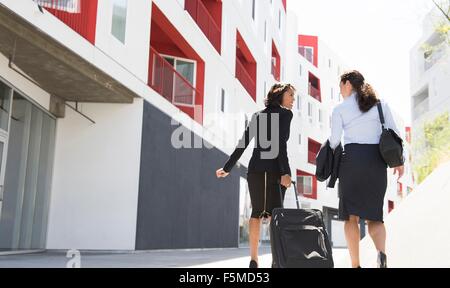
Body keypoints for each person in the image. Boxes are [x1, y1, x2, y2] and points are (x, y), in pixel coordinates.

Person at [329, 70, 404, 268]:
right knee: (375, 218)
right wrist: (399, 162)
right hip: (376, 163)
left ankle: (355, 264)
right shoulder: (381, 105)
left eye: (340, 87)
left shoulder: (340, 109)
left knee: (350, 218)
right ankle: (381, 254)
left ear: (346, 84)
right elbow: (394, 134)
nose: (340, 92)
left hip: (351, 162)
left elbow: (335, 141)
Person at [216, 83, 296, 268]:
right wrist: (286, 172)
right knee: (276, 214)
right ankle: (276, 261)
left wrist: (227, 167)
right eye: (290, 95)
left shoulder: (258, 115)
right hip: (276, 170)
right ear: (280, 95)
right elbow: (280, 145)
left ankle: (254, 259)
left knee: (257, 213)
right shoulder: (286, 115)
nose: (293, 99)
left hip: (256, 169)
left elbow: (243, 143)